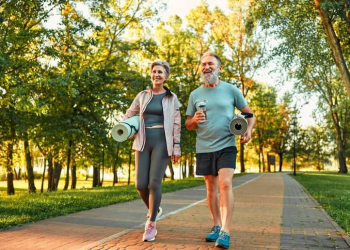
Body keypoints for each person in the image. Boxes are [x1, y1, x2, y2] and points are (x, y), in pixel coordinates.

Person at [185, 51, 255, 249]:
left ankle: (225, 230)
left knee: (225, 184)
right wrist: (193, 120)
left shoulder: (231, 90)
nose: (206, 67)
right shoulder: (195, 94)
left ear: (219, 68)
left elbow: (249, 114)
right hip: (204, 146)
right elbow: (188, 123)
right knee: (211, 188)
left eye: (210, 64)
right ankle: (216, 224)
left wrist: (248, 130)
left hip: (227, 145)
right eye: (203, 64)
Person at [122, 60, 181, 242]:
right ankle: (154, 208)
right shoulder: (142, 95)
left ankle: (151, 224)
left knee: (154, 183)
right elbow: (129, 113)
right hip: (143, 141)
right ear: (151, 74)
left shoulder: (172, 98)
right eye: (154, 71)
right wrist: (126, 128)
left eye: (160, 72)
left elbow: (177, 123)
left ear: (166, 77)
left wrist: (176, 147)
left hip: (162, 142)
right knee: (140, 184)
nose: (157, 75)